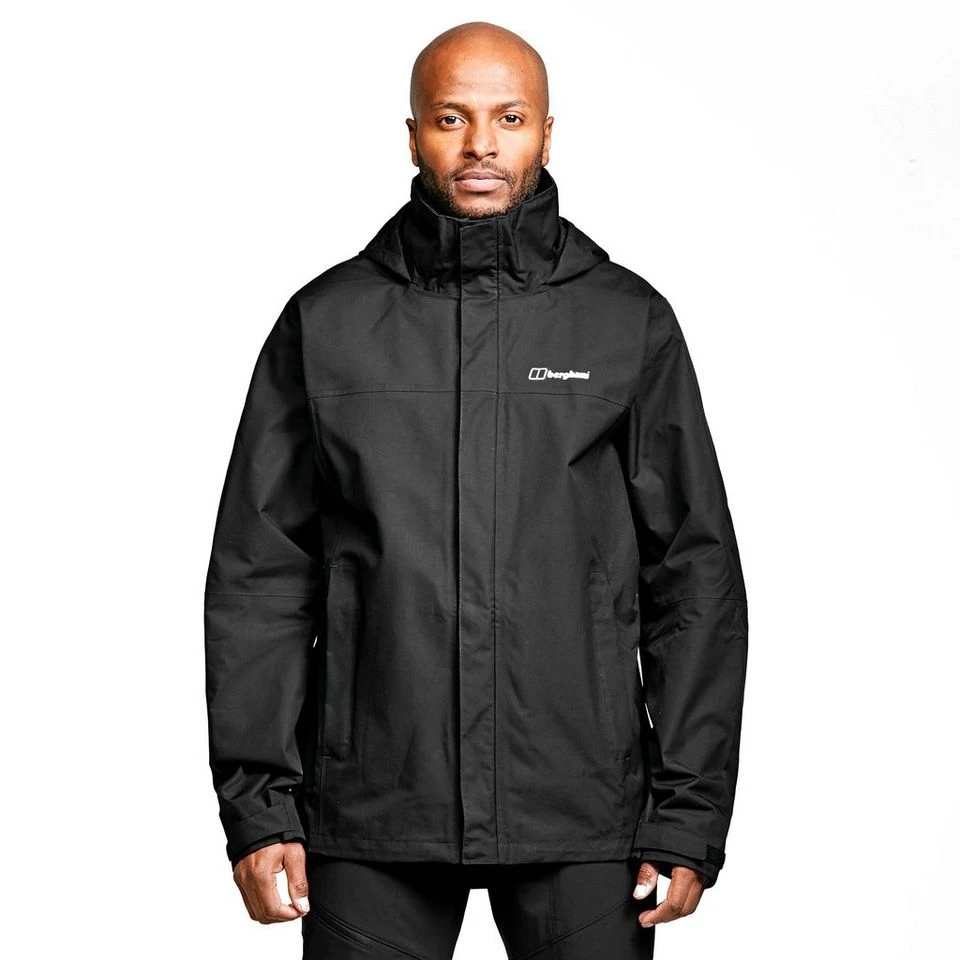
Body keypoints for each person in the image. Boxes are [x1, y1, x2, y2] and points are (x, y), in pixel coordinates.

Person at [203, 20, 749, 959]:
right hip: (375, 808)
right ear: (413, 134)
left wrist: (688, 812)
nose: (482, 144)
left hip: (583, 809)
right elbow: (261, 576)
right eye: (452, 118)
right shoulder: (326, 325)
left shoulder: (625, 323)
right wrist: (259, 808)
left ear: (548, 133)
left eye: (510, 118)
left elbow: (694, 577)